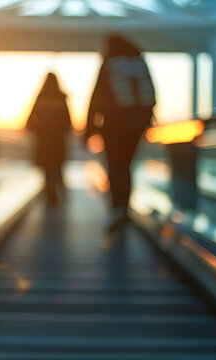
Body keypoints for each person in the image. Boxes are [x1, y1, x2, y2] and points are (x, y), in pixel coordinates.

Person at [86, 34, 155, 231]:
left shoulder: (110, 62)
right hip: (136, 126)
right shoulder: (139, 61)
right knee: (126, 166)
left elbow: (97, 96)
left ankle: (117, 209)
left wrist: (89, 128)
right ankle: (124, 208)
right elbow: (152, 92)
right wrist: (146, 120)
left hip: (113, 125)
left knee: (115, 166)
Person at [26, 72, 73, 205]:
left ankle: (50, 191)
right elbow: (68, 122)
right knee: (56, 165)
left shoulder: (41, 97)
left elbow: (29, 120)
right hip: (58, 140)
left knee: (47, 166)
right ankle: (56, 188)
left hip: (44, 139)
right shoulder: (61, 98)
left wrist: (38, 130)